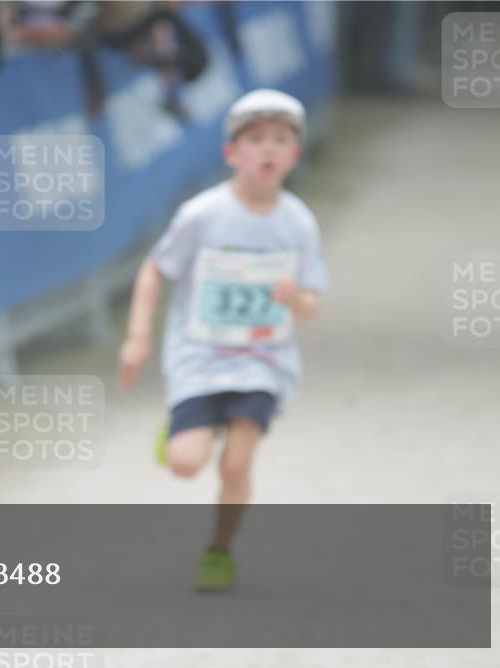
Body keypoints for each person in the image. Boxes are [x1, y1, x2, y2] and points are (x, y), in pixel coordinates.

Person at [118, 89, 328, 591]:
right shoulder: (203, 214)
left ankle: (220, 550)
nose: (269, 150)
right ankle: (182, 431)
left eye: (281, 141)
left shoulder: (298, 222)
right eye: (256, 140)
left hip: (263, 360)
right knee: (187, 465)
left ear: (295, 156)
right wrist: (138, 336)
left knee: (236, 462)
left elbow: (314, 302)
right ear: (231, 153)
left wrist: (295, 298)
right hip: (199, 358)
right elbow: (154, 269)